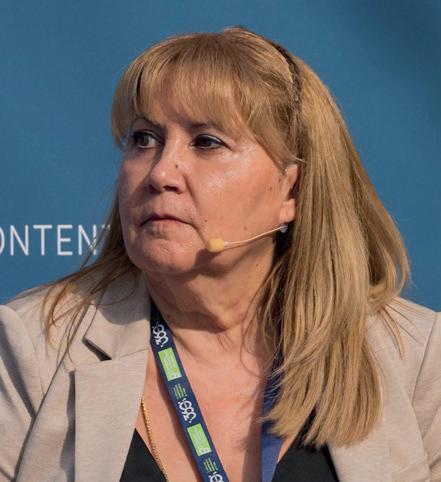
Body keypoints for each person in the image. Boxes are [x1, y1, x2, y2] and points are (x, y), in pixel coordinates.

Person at [0, 25, 439, 482]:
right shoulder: (32, 350)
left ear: (291, 190)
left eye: (206, 142)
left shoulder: (417, 357)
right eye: (144, 138)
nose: (161, 173)